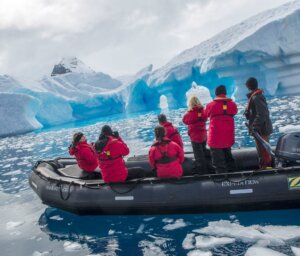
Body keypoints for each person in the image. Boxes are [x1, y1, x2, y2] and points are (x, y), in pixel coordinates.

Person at [205, 85, 238, 173]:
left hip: (215, 137)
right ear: (225, 93)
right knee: (228, 157)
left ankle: (222, 181)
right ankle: (234, 176)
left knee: (218, 162)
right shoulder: (232, 104)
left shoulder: (210, 105)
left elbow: (206, 114)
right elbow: (234, 111)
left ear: (216, 93)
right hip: (228, 135)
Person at [244, 77, 273, 169]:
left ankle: (267, 169)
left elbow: (262, 114)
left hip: (261, 130)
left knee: (264, 152)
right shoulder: (256, 96)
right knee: (262, 151)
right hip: (260, 129)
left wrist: (254, 126)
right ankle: (265, 168)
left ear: (248, 87)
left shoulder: (256, 97)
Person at [182, 96, 209, 174]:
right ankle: (209, 168)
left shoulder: (189, 113)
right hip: (203, 135)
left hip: (195, 137)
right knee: (204, 151)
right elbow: (206, 118)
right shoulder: (203, 111)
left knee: (198, 156)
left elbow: (184, 120)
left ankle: (202, 172)